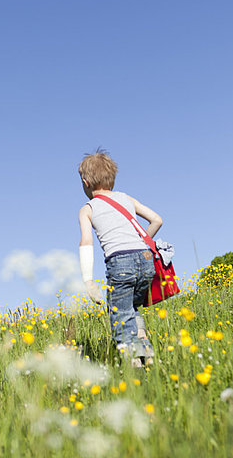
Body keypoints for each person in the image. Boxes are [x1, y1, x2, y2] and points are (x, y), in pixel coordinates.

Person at [78, 150, 163, 365]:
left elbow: (86, 243)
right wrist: (142, 246)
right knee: (130, 309)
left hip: (120, 263)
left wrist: (88, 281)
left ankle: (135, 364)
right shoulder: (126, 198)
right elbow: (156, 220)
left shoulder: (87, 209)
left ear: (85, 182)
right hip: (145, 260)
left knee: (120, 315)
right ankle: (146, 353)